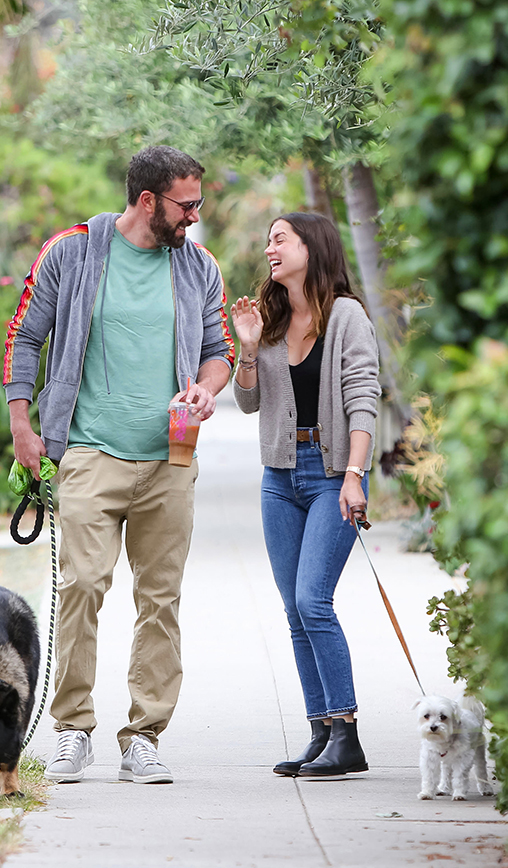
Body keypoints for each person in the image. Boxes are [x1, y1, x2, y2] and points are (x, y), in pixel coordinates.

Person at [3, 146, 235, 785]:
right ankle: (72, 728)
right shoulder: (72, 252)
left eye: (198, 204)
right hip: (89, 451)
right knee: (81, 586)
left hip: (171, 460)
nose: (195, 216)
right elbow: (25, 335)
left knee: (160, 600)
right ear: (146, 201)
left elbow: (221, 351)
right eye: (186, 204)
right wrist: (24, 425)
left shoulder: (197, 265)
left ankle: (144, 737)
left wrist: (207, 389)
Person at [231, 212, 381, 777]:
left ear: (310, 247)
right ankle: (321, 733)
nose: (269, 248)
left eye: (280, 239)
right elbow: (248, 404)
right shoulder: (269, 320)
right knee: (295, 610)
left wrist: (354, 475)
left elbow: (364, 398)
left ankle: (347, 734)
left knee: (314, 601)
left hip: (330, 472)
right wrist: (247, 347)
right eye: (267, 239)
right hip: (279, 477)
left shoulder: (347, 317)